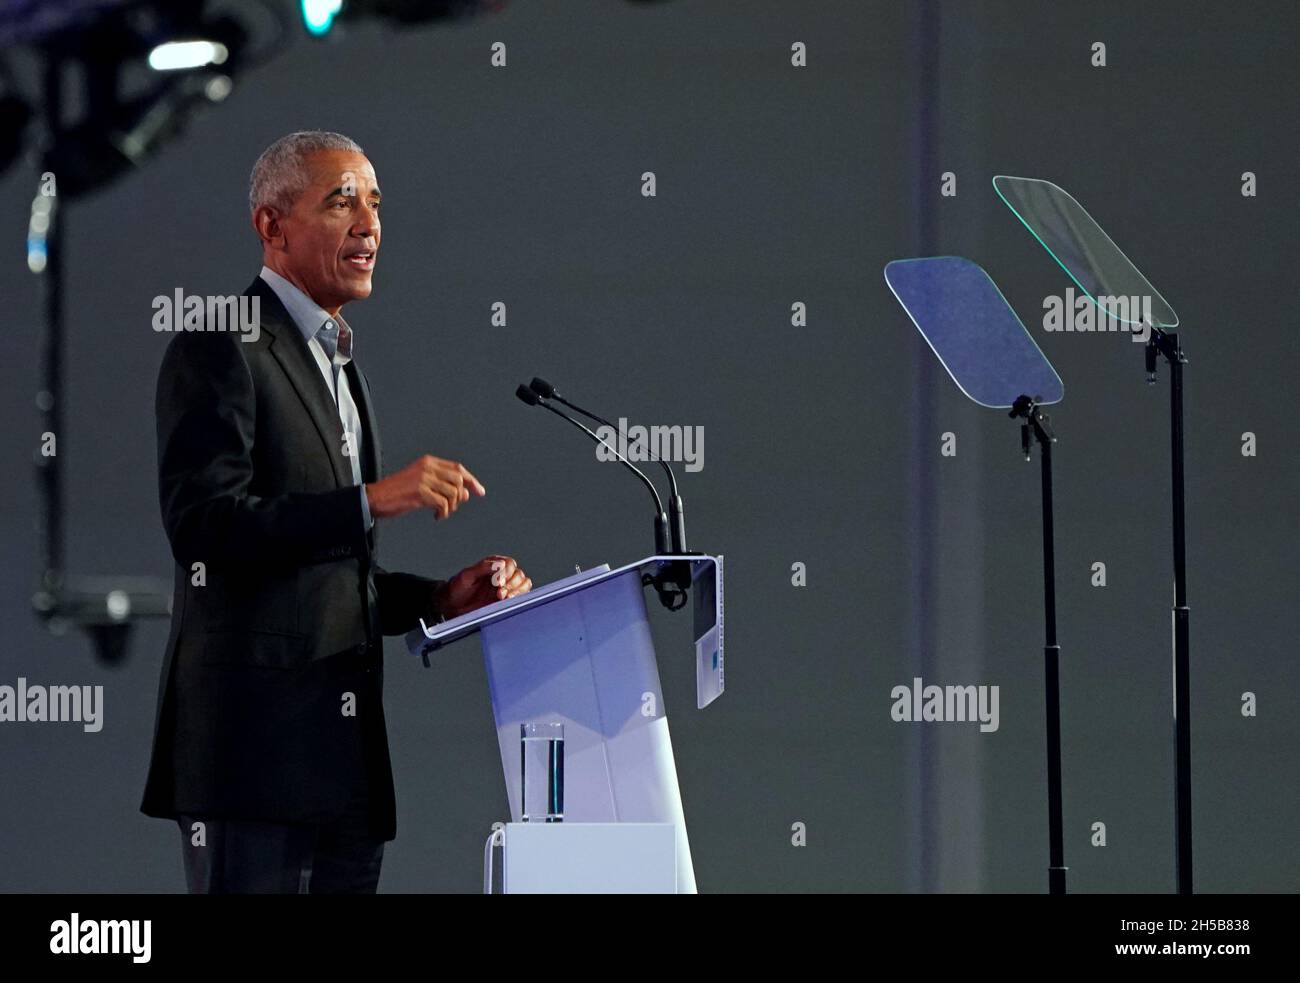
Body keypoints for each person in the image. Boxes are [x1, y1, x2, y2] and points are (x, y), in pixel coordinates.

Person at [140, 130, 532, 893]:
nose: (369, 226)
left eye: (376, 205)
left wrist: (441, 599)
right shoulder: (224, 340)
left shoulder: (337, 365)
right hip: (252, 761)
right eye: (341, 201)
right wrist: (370, 499)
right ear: (271, 224)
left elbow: (329, 575)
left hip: (340, 770)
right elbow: (205, 527)